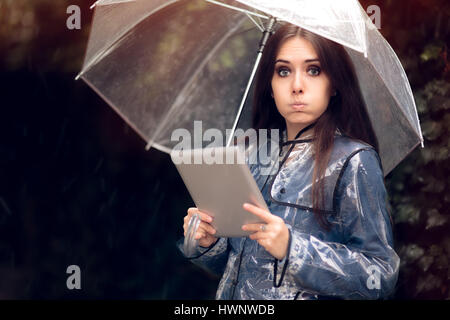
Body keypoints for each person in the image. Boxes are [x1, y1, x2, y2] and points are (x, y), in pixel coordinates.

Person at [178, 23, 400, 300]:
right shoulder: (248, 154)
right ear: (270, 86)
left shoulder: (354, 161)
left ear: (334, 84)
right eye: (283, 71)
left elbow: (379, 277)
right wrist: (209, 242)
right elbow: (237, 266)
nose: (297, 86)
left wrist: (293, 249)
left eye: (313, 70)